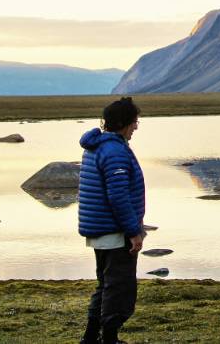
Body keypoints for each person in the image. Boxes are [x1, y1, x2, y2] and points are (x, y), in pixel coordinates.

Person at [76, 96, 146, 344]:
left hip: (100, 229)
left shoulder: (97, 147)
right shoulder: (114, 151)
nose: (136, 127)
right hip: (114, 232)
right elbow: (118, 196)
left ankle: (91, 337)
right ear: (124, 123)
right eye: (134, 122)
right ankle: (109, 339)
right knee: (119, 287)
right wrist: (133, 231)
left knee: (105, 285)